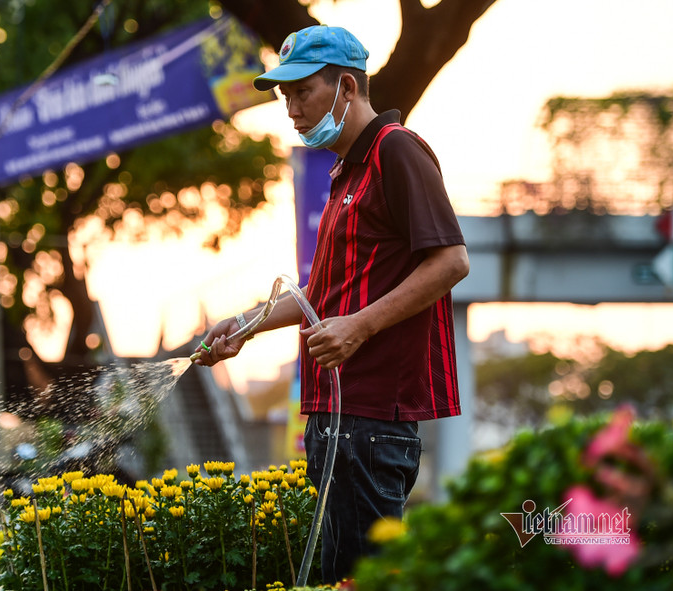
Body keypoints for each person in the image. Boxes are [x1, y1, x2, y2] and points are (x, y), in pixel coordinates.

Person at [193, 25, 470, 583]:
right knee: (335, 578)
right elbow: (319, 297)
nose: (291, 109)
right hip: (336, 419)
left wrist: (360, 328)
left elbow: (451, 263)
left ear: (346, 87)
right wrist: (242, 328)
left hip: (371, 417)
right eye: (284, 96)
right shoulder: (346, 172)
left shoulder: (397, 150)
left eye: (302, 92)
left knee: (361, 579)